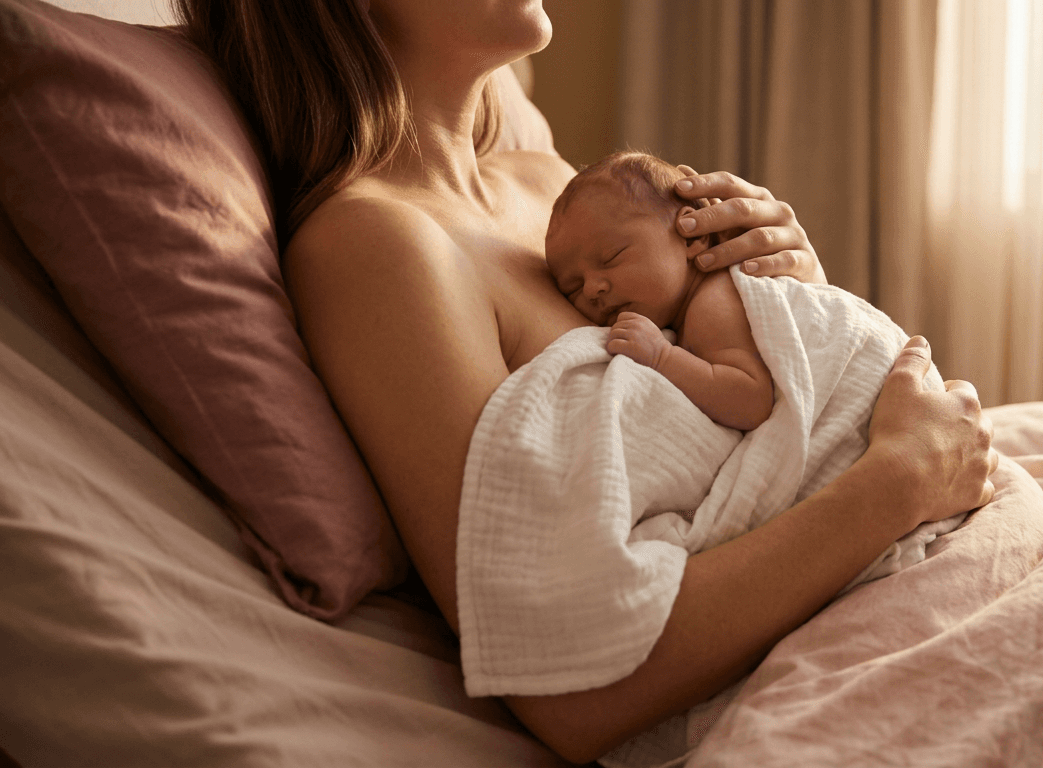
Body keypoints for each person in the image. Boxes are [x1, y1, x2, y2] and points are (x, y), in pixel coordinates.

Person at [175, 0, 999, 762]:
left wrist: (782, 310)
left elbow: (731, 437)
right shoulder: (375, 245)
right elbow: (569, 682)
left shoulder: (545, 184)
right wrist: (898, 481)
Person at [546, 150, 774, 431]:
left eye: (611, 257)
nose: (592, 289)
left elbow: (752, 402)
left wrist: (662, 357)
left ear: (692, 236)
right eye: (573, 287)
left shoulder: (713, 301)